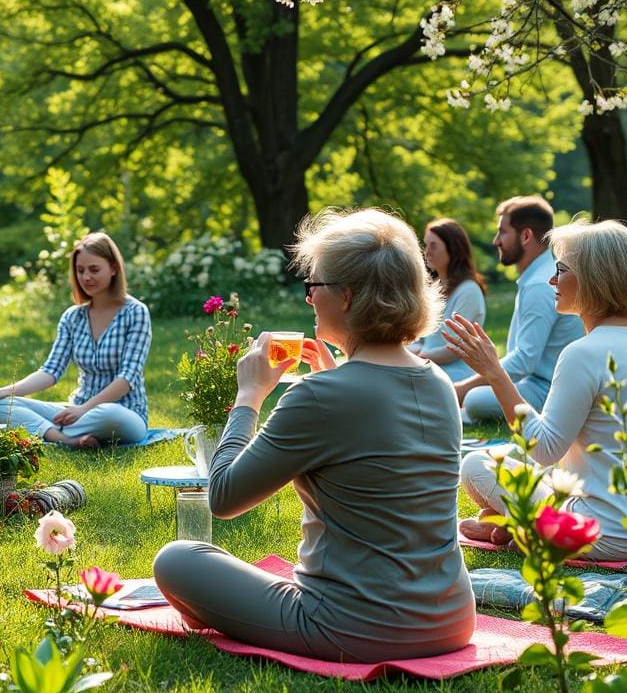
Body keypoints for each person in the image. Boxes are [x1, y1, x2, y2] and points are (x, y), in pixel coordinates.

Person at [153, 209, 475, 663]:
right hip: (451, 621)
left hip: (354, 628)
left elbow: (223, 497)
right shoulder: (436, 380)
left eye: (314, 287)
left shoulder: (321, 395)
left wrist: (249, 396)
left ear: (345, 296)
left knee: (176, 559)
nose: (308, 300)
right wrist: (332, 378)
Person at [447, 220, 627, 560]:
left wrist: (495, 373)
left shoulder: (583, 353)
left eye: (561, 269)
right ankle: (515, 527)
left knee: (476, 466)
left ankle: (521, 528)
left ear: (593, 278)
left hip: (599, 532)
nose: (552, 280)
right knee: (525, 467)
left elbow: (543, 449)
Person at [0, 232, 150, 449]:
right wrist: (3, 391)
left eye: (94, 269)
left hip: (122, 413)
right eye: (80, 270)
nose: (86, 277)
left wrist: (84, 410)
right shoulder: (72, 317)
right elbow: (50, 371)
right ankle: (65, 440)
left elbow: (126, 378)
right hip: (75, 410)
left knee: (111, 413)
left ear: (113, 268)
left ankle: (38, 430)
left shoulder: (136, 312)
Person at [454, 196, 583, 421]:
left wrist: (462, 389)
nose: (495, 241)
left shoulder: (539, 285)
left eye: (502, 232)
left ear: (525, 236)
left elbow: (523, 361)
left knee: (474, 399)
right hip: (532, 382)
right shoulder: (537, 277)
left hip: (547, 390)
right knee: (470, 390)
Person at [411, 218, 487, 382]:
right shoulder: (433, 289)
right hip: (427, 369)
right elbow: (421, 339)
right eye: (426, 245)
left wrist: (416, 359)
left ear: (453, 248)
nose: (427, 251)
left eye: (434, 245)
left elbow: (455, 348)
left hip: (454, 376)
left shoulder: (469, 290)